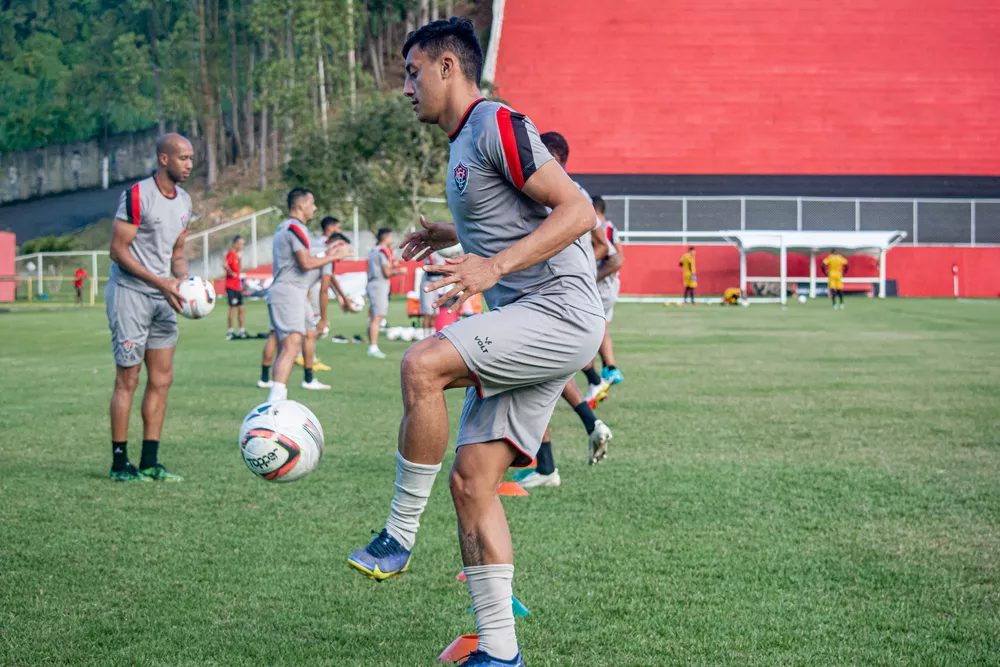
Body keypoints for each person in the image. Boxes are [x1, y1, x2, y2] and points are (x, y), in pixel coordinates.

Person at [347, 19, 604, 666]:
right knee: (472, 482)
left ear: (447, 69)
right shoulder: (462, 142)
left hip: (558, 310)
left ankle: (398, 534)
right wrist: (453, 240)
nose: (405, 86)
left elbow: (575, 210)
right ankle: (499, 650)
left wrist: (489, 268)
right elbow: (517, 221)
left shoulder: (495, 122)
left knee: (421, 364)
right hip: (534, 314)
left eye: (412, 72)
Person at [517, 132, 613, 490]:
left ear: (551, 156)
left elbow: (604, 249)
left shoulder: (554, 191)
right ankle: (584, 430)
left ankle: (542, 465)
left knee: (531, 380)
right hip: (570, 299)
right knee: (547, 378)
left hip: (555, 297)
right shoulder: (577, 193)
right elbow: (603, 245)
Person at [105, 133, 193, 482]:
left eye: (191, 158)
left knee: (162, 380)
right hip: (130, 293)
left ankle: (150, 462)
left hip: (162, 297)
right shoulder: (138, 195)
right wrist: (162, 283)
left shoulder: (185, 201)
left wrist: (185, 284)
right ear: (164, 159)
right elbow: (118, 251)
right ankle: (119, 463)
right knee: (128, 378)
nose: (189, 164)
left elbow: (178, 254)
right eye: (183, 158)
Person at [263, 188, 350, 402]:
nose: (315, 208)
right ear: (301, 205)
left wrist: (328, 254)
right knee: (291, 345)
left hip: (295, 293)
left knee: (302, 338)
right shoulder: (295, 227)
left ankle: (298, 385)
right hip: (288, 292)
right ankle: (274, 402)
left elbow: (305, 262)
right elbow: (306, 263)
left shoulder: (289, 227)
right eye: (312, 203)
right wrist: (334, 256)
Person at [593, 196, 624, 386]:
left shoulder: (603, 229)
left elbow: (617, 258)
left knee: (593, 328)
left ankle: (598, 377)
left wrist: (592, 277)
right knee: (602, 327)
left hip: (602, 287)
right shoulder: (610, 228)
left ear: (595, 210)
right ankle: (609, 369)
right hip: (609, 286)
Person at [366, 227, 407, 359]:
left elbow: (379, 267)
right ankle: (373, 347)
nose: (391, 239)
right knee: (378, 317)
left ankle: (372, 345)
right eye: (390, 237)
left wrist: (394, 264)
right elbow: (386, 273)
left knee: (373, 316)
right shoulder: (383, 252)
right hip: (379, 285)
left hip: (372, 284)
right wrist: (399, 271)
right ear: (385, 237)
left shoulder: (374, 250)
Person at [419, 250, 448, 339]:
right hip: (428, 285)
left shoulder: (443, 253)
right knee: (428, 314)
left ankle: (431, 337)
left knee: (434, 314)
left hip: (437, 285)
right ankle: (425, 338)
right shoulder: (431, 252)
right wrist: (445, 272)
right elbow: (429, 271)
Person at [224, 235, 248, 339]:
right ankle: (230, 331)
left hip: (237, 286)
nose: (242, 246)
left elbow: (238, 269)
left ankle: (242, 330)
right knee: (232, 309)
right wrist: (231, 273)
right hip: (231, 286)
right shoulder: (230, 254)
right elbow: (225, 265)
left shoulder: (237, 256)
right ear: (235, 244)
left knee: (241, 308)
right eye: (241, 244)